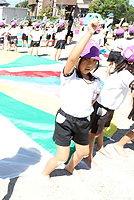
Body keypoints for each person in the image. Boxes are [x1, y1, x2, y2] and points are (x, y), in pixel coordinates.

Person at [42, 18, 101, 180]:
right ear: (79, 61)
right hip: (65, 120)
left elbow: (94, 99)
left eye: (94, 61)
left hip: (83, 121)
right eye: (86, 60)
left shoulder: (96, 81)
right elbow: (71, 58)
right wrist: (89, 33)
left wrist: (85, 109)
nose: (90, 64)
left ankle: (69, 168)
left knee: (82, 152)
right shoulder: (69, 76)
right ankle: (46, 173)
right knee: (62, 155)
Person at [86, 46, 134, 165]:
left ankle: (100, 147)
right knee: (94, 132)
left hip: (108, 107)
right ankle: (88, 156)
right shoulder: (127, 75)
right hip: (103, 107)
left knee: (101, 129)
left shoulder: (121, 69)